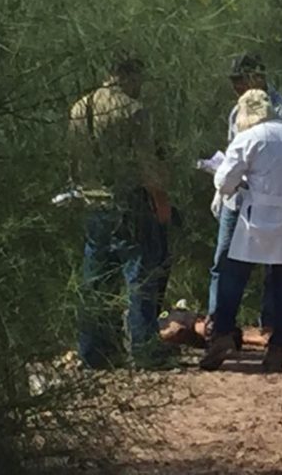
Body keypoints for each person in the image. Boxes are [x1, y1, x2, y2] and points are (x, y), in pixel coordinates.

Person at [201, 89, 282, 372]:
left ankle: (222, 333)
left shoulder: (248, 138)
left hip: (260, 218)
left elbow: (224, 182)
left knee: (233, 275)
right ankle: (277, 346)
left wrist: (244, 181)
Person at [68, 57, 172, 369]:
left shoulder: (80, 107)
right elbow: (146, 164)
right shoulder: (133, 110)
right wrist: (161, 198)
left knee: (96, 279)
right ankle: (144, 351)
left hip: (93, 202)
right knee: (140, 276)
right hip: (129, 203)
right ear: (127, 74)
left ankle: (94, 352)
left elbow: (73, 159)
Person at [207, 53, 282, 338]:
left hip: (270, 201)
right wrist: (221, 186)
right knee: (224, 260)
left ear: (258, 76)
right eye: (234, 81)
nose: (237, 87)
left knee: (277, 264)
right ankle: (219, 320)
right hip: (237, 198)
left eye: (241, 80)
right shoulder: (237, 111)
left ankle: (270, 323)